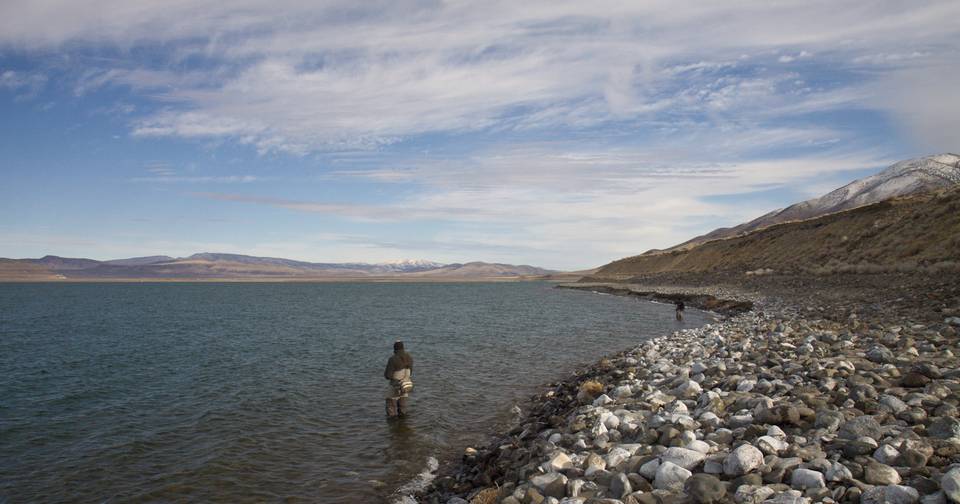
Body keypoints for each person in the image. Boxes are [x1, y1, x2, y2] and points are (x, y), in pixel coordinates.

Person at [384, 341, 414, 417]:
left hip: (395, 386)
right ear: (403, 347)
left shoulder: (392, 359)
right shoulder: (409, 357)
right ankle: (403, 425)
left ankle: (393, 425)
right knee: (403, 409)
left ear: (394, 348)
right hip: (405, 385)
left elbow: (387, 375)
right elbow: (411, 372)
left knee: (390, 406)